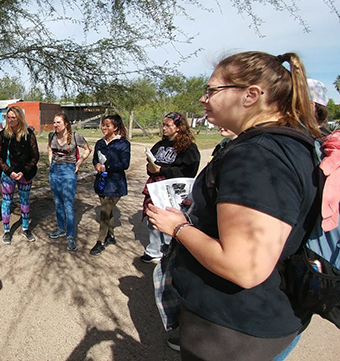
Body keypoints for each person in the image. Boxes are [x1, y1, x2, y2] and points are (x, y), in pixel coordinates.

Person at [147, 51, 321, 360]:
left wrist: (178, 228)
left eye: (212, 89)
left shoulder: (258, 156)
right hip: (257, 322)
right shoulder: (287, 144)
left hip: (232, 333)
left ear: (251, 95)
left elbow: (243, 266)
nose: (203, 99)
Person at [141, 112, 200, 264]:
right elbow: (151, 164)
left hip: (173, 190)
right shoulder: (160, 145)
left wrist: (163, 170)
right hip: (156, 186)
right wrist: (152, 168)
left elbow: (188, 172)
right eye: (163, 125)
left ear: (179, 127)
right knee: (153, 218)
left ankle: (170, 251)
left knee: (169, 219)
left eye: (168, 125)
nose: (164, 128)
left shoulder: (188, 148)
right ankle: (154, 250)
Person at [0, 106, 40, 244]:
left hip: (24, 175)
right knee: (6, 201)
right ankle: (7, 231)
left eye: (13, 117)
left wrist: (23, 171)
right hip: (8, 175)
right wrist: (8, 171)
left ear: (19, 118)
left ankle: (25, 229)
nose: (10, 120)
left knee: (24, 201)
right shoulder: (3, 134)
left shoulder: (29, 134)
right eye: (8, 117)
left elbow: (35, 156)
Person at [47, 112, 92, 251]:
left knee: (68, 203)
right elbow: (49, 148)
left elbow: (88, 149)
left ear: (65, 123)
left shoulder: (75, 136)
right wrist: (50, 162)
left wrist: (79, 162)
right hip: (54, 169)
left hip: (69, 171)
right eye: (54, 122)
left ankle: (71, 235)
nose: (55, 125)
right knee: (57, 201)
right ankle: (60, 228)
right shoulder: (52, 135)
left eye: (58, 122)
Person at [90, 114, 131, 256]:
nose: (104, 127)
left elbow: (125, 164)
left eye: (108, 125)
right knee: (108, 211)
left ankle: (100, 242)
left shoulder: (123, 144)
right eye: (103, 124)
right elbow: (95, 158)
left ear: (116, 127)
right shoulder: (99, 143)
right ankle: (111, 236)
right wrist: (96, 165)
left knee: (104, 211)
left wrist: (107, 167)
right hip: (102, 182)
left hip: (116, 184)